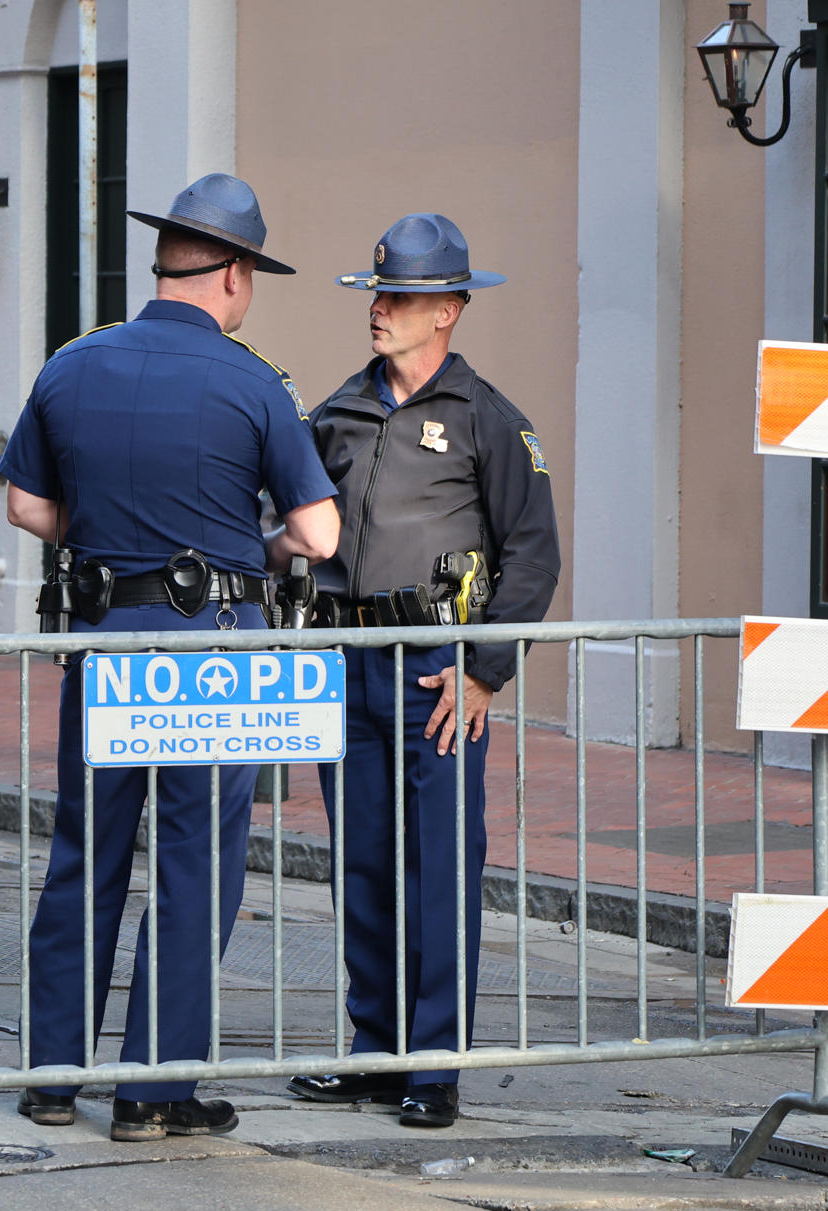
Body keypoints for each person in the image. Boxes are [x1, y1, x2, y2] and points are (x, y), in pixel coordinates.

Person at [1, 174, 340, 1141]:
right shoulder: (253, 380)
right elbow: (317, 533)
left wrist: (102, 526)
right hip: (213, 654)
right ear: (233, 274)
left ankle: (52, 1076)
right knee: (194, 863)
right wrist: (260, 542)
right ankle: (154, 1091)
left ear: (165, 266)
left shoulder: (72, 365)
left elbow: (26, 505)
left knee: (87, 850)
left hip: (107, 642)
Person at [288, 214, 560, 1128]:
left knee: (438, 864)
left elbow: (533, 555)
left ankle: (434, 1064)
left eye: (398, 297)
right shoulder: (338, 412)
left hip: (437, 673)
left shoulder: (487, 419)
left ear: (447, 309)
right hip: (347, 661)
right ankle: (376, 1051)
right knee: (360, 862)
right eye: (376, 294)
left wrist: (486, 670)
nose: (380, 310)